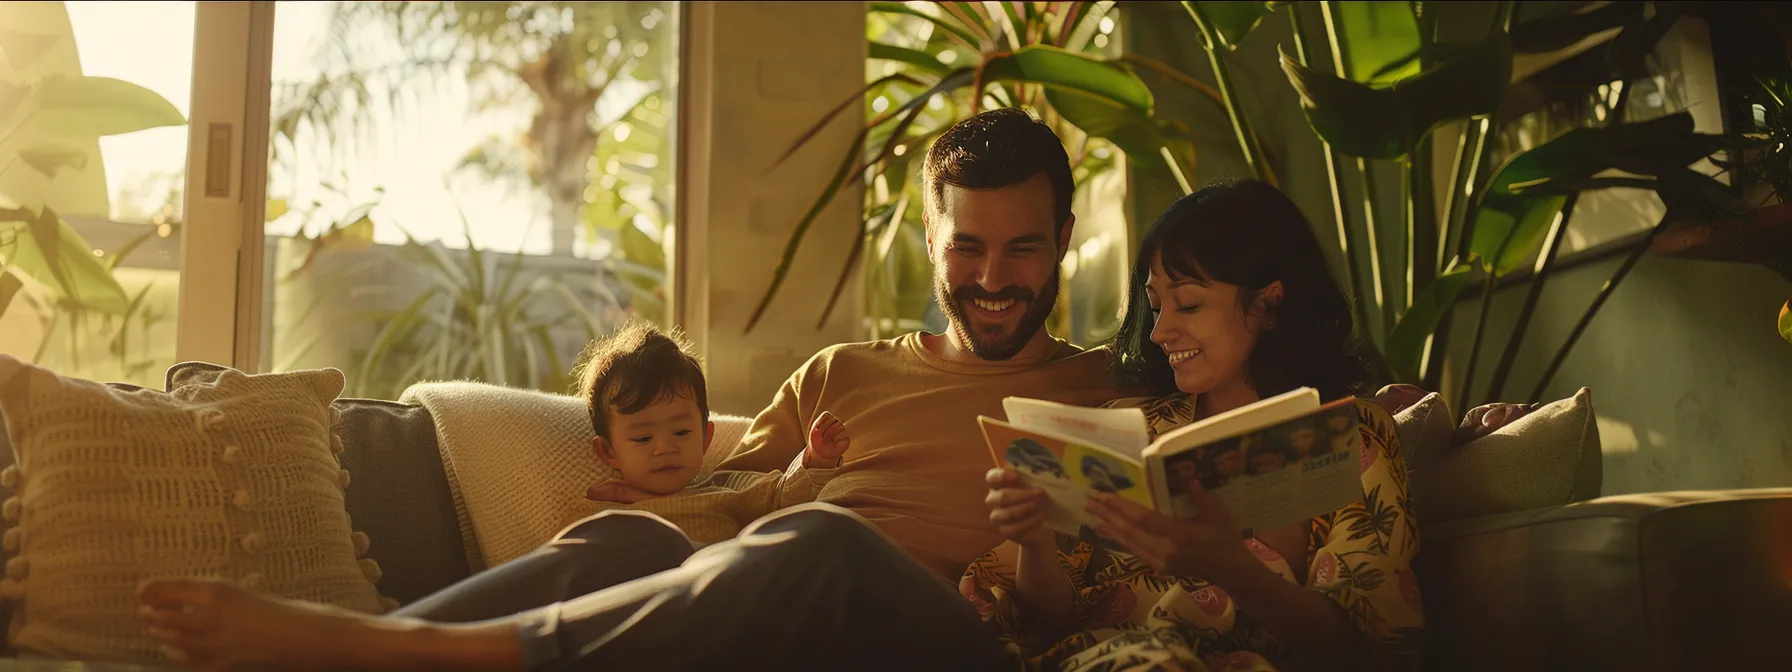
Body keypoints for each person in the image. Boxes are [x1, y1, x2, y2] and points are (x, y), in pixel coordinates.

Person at [133, 107, 1119, 670]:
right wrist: (755, 485)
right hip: (783, 631)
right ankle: (373, 647)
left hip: (954, 646)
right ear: (934, 242)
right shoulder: (843, 373)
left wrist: (1032, 533)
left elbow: (1075, 612)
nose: (992, 280)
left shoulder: (1104, 393)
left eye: (1022, 249)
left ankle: (397, 654)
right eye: (969, 248)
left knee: (829, 543)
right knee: (631, 540)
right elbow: (719, 497)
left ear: (1063, 244)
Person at [966, 179, 1425, 672]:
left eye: (1187, 304)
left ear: (1268, 305)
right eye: (1157, 305)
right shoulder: (1127, 431)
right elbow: (1046, 622)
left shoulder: (1353, 437)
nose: (1160, 331)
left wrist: (1229, 566)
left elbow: (1370, 646)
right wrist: (1034, 542)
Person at [553, 320, 849, 545]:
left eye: (681, 432)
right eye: (643, 438)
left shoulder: (727, 492)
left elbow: (782, 496)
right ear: (608, 451)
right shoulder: (598, 513)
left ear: (706, 438)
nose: (665, 447)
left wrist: (816, 459)